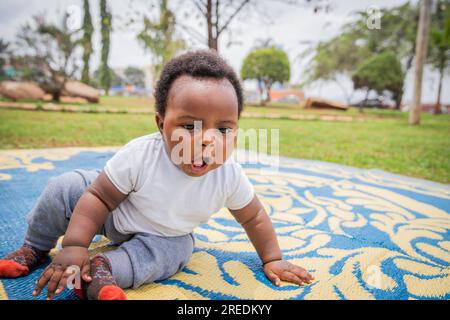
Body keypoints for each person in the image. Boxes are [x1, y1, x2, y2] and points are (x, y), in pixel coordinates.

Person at [0, 50, 313, 300]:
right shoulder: (142, 155)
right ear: (161, 124)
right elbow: (98, 197)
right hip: (115, 212)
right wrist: (75, 245)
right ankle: (35, 247)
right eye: (189, 126)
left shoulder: (229, 175)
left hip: (164, 235)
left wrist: (272, 258)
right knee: (66, 187)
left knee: (178, 252)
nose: (207, 139)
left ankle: (103, 271)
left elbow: (254, 217)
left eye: (223, 129)